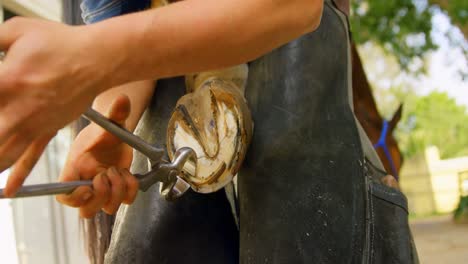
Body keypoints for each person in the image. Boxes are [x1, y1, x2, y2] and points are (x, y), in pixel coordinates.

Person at [0, 0, 418, 263]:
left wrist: (87, 57)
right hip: (172, 115)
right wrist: (111, 124)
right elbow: (117, 32)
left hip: (301, 85)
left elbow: (293, 7)